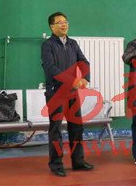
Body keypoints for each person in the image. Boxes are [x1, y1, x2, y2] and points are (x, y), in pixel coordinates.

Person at [41, 12, 94, 177]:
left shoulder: (73, 43)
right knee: (56, 130)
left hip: (72, 93)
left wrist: (85, 78)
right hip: (55, 92)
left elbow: (83, 62)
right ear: (52, 27)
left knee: (77, 128)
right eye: (59, 22)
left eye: (65, 22)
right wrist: (71, 81)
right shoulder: (47, 45)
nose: (64, 24)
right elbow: (51, 68)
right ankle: (56, 165)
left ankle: (78, 162)